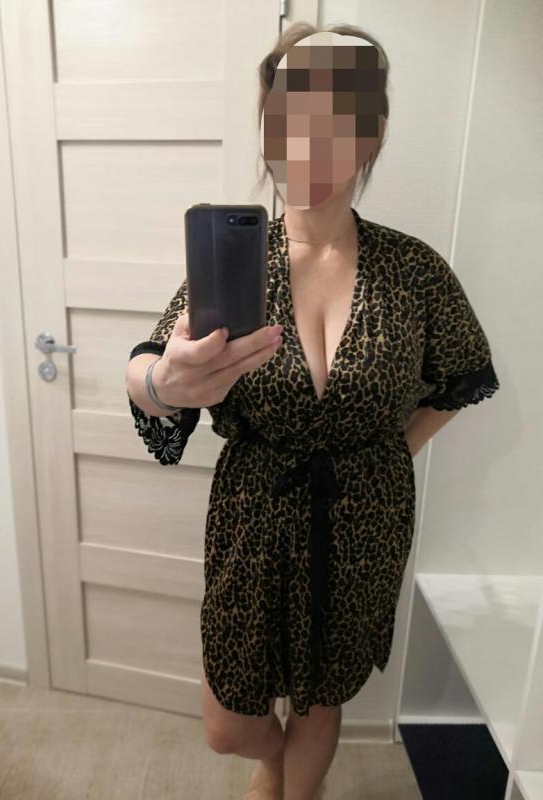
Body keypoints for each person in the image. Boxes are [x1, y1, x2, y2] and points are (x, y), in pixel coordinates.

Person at [125, 22, 500, 800]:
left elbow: (462, 377)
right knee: (230, 725)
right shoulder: (235, 261)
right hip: (254, 519)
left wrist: (390, 453)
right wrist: (161, 383)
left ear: (372, 130)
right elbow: (154, 363)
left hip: (366, 518)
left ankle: (297, 790)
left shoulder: (415, 271)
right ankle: (271, 764)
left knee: (323, 696)